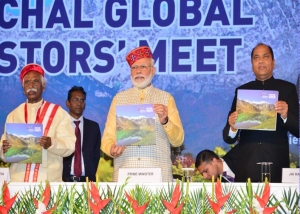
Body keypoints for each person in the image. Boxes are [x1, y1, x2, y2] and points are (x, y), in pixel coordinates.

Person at [101, 46, 184, 182]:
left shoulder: (166, 99)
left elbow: (178, 140)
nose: (138, 71)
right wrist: (111, 148)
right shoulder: (119, 99)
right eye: (134, 68)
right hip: (125, 175)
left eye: (143, 67)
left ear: (153, 70)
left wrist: (165, 121)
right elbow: (107, 137)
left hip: (158, 176)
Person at [222, 43, 299, 182]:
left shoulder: (287, 89)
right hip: (246, 165)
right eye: (256, 58)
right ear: (252, 64)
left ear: (273, 62)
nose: (261, 61)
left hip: (276, 164)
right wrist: (233, 127)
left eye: (265, 57)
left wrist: (286, 115)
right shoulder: (242, 91)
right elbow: (228, 138)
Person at [0, 63, 76, 182]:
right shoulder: (13, 115)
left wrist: (51, 143)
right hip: (18, 183)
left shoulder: (58, 113)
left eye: (35, 81)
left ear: (43, 86)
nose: (31, 85)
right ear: (23, 87)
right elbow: (3, 150)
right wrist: (3, 149)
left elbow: (70, 146)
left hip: (48, 183)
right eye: (27, 82)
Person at [63, 86, 101, 182]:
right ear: (68, 103)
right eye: (75, 100)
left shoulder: (93, 127)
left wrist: (91, 173)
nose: (79, 103)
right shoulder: (60, 126)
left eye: (82, 100)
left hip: (88, 181)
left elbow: (96, 155)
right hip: (63, 180)